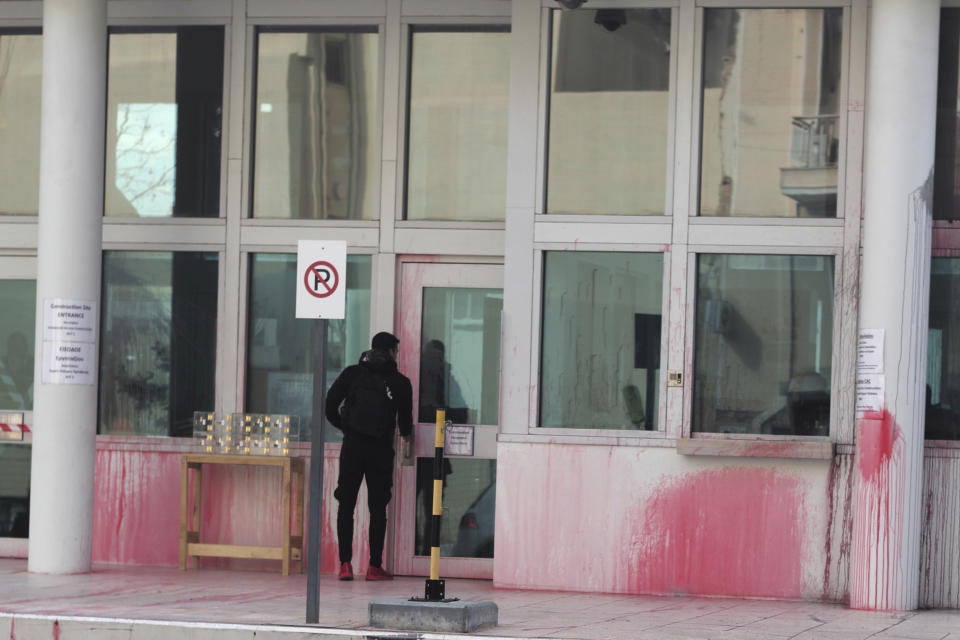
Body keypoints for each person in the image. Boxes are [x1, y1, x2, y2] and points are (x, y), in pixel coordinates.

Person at [325, 331, 414, 581]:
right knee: (377, 509)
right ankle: (374, 567)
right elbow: (406, 424)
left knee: (346, 505)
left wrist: (347, 428)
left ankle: (345, 565)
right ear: (389, 352)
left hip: (353, 448)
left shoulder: (352, 374)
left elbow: (329, 406)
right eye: (395, 351)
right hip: (380, 450)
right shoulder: (400, 382)